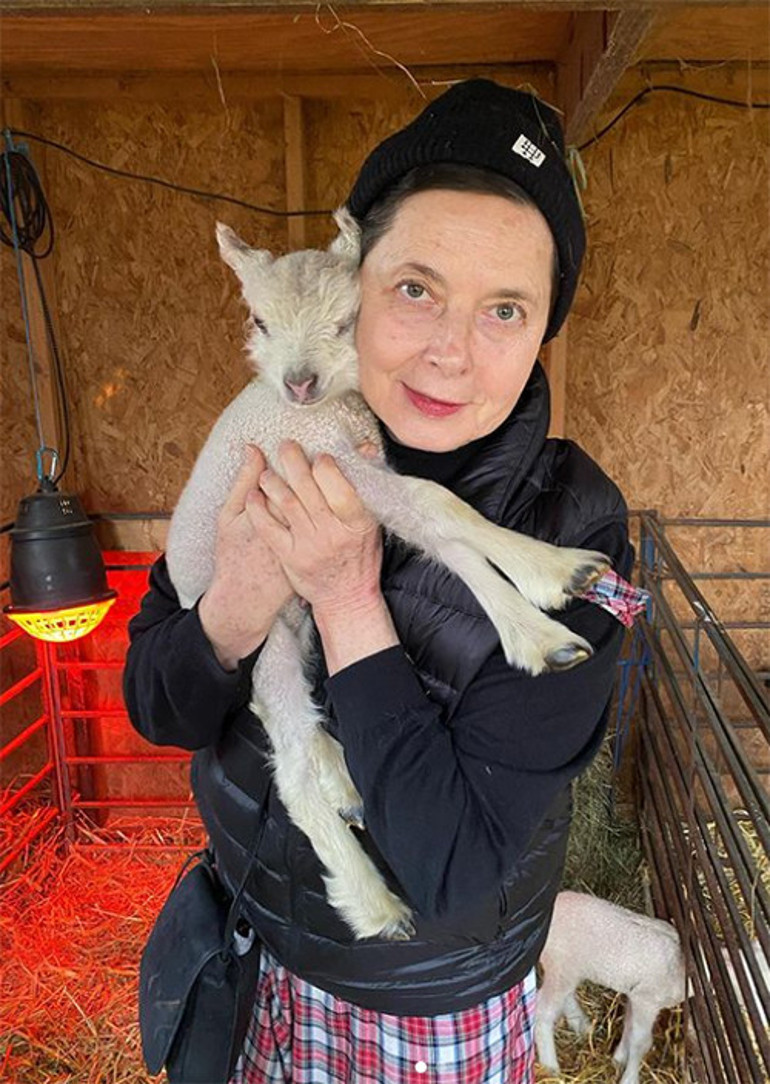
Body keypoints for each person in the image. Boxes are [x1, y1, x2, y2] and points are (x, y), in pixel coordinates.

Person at [124, 79, 640, 1083]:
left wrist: (348, 600)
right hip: (254, 963)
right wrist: (231, 604)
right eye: (414, 287)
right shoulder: (274, 441)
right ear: (354, 277)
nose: (449, 349)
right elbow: (156, 703)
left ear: (543, 329)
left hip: (421, 1024)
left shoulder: (576, 537)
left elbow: (452, 876)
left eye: (504, 308)